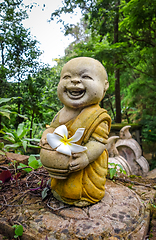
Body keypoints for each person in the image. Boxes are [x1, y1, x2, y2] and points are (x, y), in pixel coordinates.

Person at [40, 57, 111, 206]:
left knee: (84, 186)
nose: (75, 81)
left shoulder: (98, 117)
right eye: (67, 77)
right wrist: (46, 135)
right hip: (61, 165)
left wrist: (86, 157)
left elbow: (98, 142)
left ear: (104, 87)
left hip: (87, 166)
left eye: (85, 77)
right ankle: (59, 192)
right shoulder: (61, 113)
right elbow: (53, 128)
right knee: (62, 184)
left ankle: (84, 197)